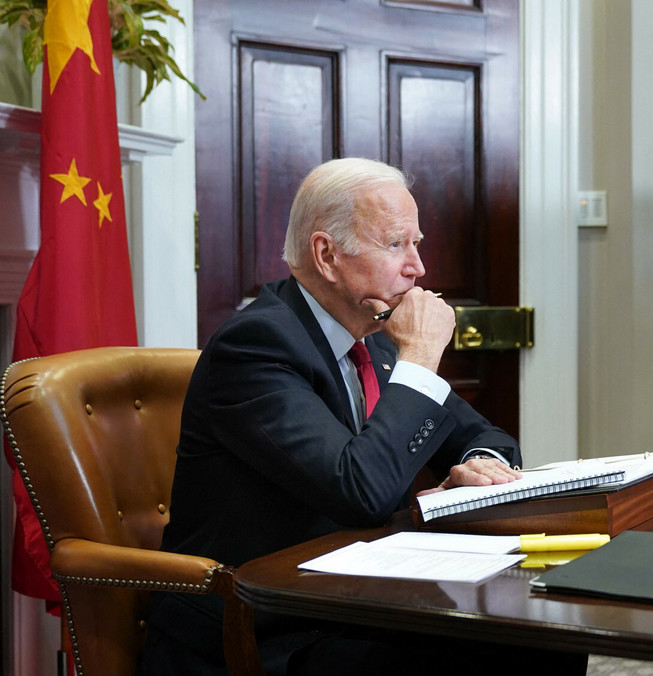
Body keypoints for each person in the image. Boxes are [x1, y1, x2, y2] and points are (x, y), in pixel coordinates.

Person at [140, 158, 585, 675]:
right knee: (507, 648)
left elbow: (487, 437)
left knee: (545, 634)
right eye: (397, 244)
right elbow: (360, 490)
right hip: (268, 625)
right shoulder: (257, 347)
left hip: (357, 596)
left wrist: (479, 465)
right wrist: (420, 354)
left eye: (416, 244)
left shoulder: (374, 339)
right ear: (327, 254)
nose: (418, 268)